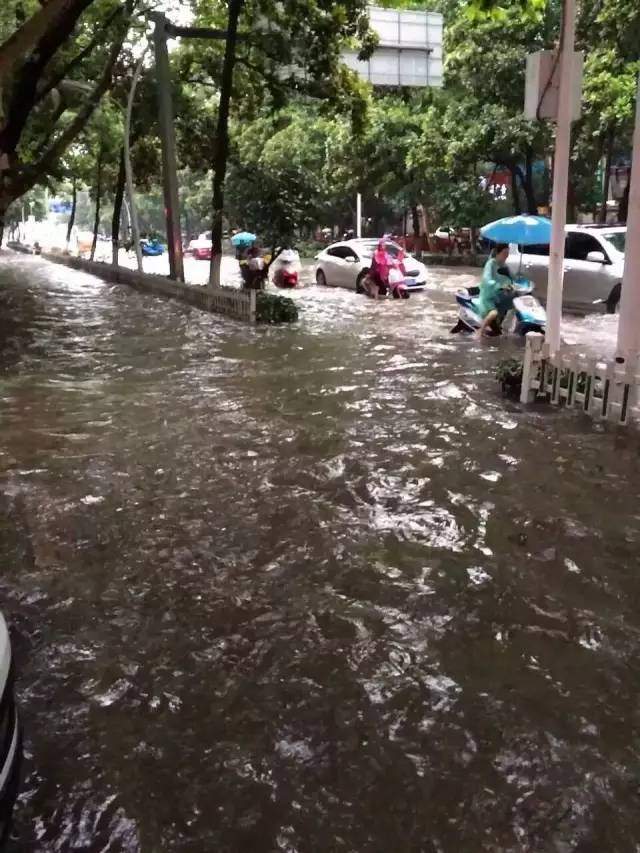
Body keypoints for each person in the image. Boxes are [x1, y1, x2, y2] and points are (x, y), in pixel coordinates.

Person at [477, 243, 514, 337]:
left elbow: (510, 278)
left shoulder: (504, 266)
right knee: (494, 313)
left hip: (500, 296)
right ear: (498, 253)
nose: (506, 256)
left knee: (513, 305)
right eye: (504, 253)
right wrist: (499, 286)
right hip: (488, 296)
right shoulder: (490, 264)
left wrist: (513, 285)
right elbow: (487, 279)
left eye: (507, 254)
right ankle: (480, 332)